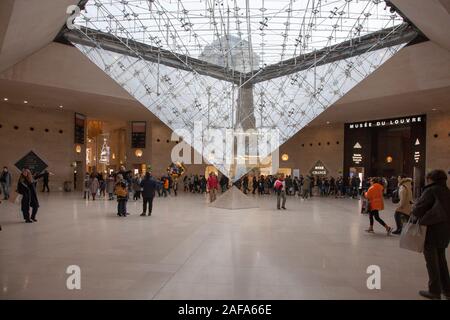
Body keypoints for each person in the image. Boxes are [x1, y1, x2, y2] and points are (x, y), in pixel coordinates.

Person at [411, 169, 450, 300]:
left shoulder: (431, 190)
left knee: (431, 262)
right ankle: (447, 289)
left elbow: (418, 210)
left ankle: (434, 291)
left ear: (431, 179)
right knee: (441, 260)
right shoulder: (447, 191)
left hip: (431, 230)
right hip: (445, 231)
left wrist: (415, 207)